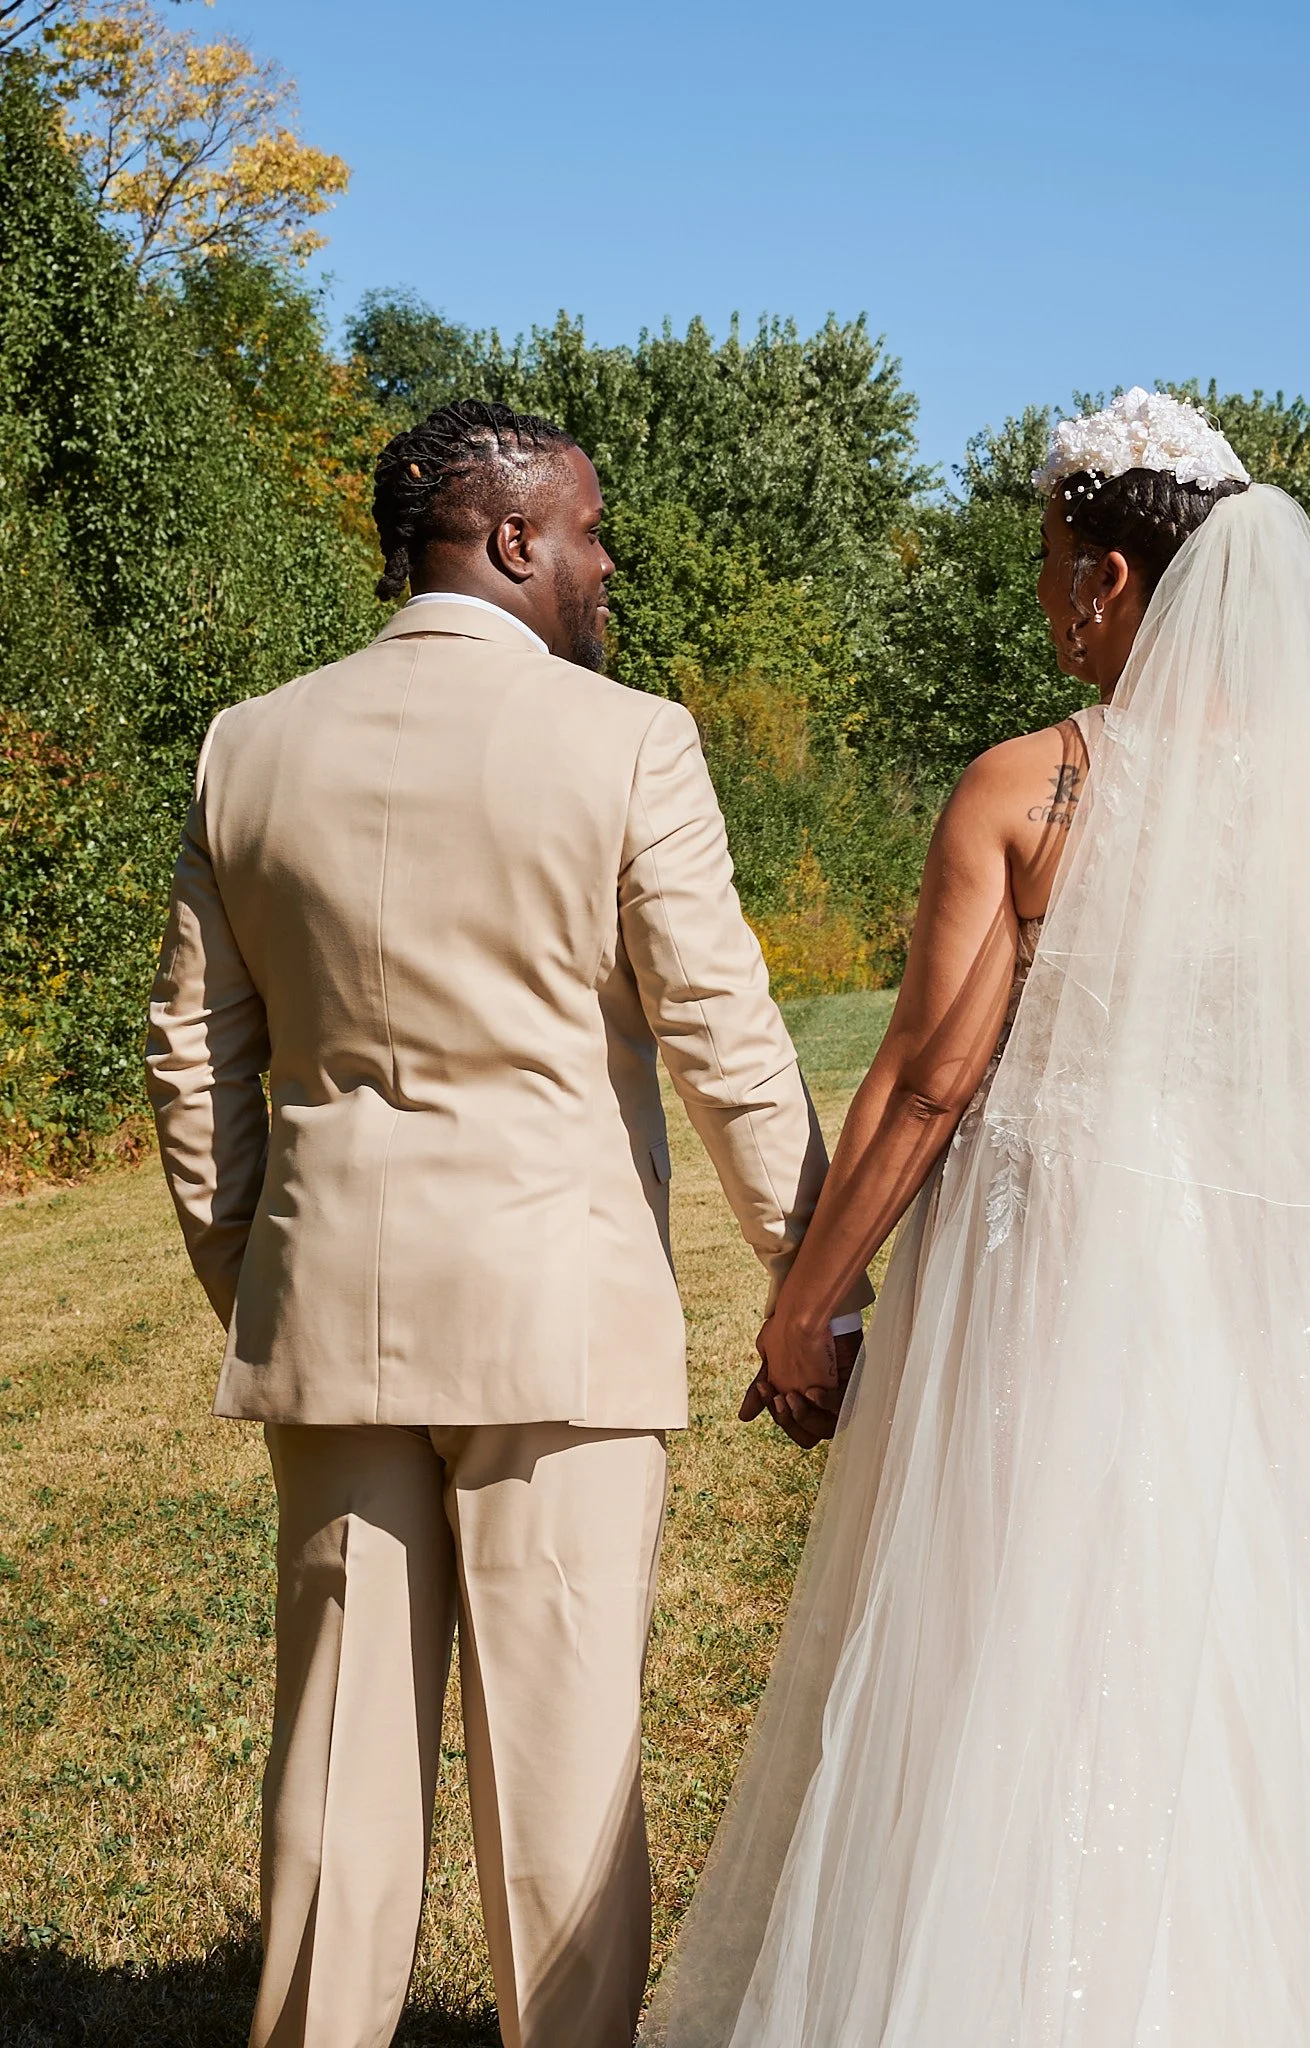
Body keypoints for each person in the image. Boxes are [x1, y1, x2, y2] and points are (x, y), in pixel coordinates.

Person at [645, 391, 1310, 2046]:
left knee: (1026, 1624)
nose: (1044, 601)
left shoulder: (1035, 787)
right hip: (1263, 1278)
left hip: (1059, 1266)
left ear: (1109, 577)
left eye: (1049, 566)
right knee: (1266, 1617)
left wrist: (802, 1302)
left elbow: (922, 1078)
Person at [144, 397, 868, 2048]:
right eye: (594, 532)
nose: (607, 567)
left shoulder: (248, 742)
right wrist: (809, 1271)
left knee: (333, 1768)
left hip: (332, 1309)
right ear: (515, 537)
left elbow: (197, 1060)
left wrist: (259, 1274)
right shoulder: (626, 739)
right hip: (560, 1319)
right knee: (560, 1784)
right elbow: (723, 1036)